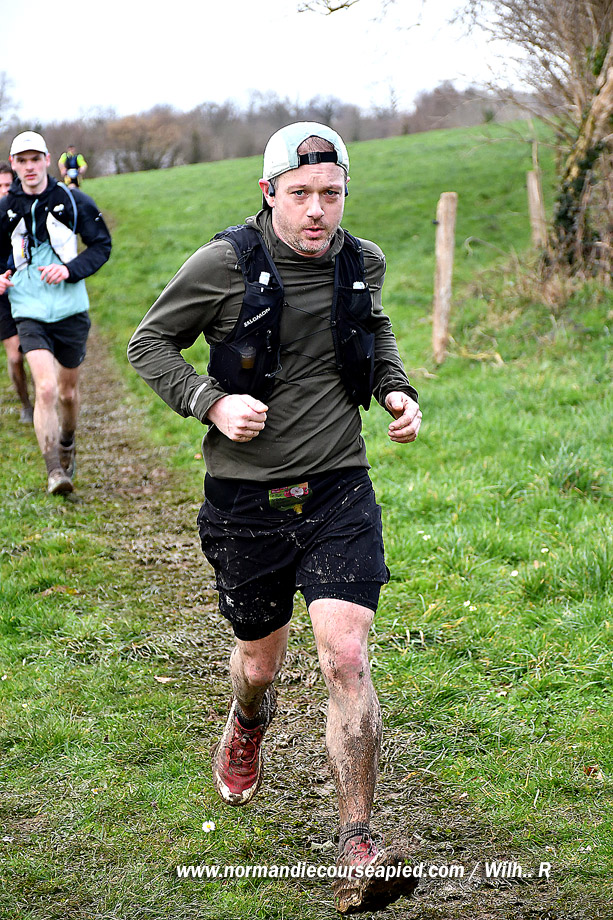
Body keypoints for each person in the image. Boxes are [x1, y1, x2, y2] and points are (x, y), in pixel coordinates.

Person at [128, 122, 422, 914]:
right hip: (245, 501)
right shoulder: (223, 265)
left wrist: (395, 388)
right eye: (300, 194)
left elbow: (372, 327)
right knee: (259, 664)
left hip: (338, 486)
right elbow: (148, 344)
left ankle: (357, 844)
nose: (317, 210)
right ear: (268, 193)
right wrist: (210, 401)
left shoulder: (360, 261)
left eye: (331, 193)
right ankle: (247, 719)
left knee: (345, 655)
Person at [0, 131, 112, 495]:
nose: (30, 167)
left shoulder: (73, 200)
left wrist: (69, 270)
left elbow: (101, 245)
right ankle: (54, 471)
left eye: (36, 159)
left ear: (48, 160)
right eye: (22, 161)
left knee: (66, 393)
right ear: (14, 165)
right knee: (45, 389)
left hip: (70, 310)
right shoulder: (4, 209)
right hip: (28, 308)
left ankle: (67, 440)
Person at [0, 161, 33, 422]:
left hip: (29, 289)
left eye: (8, 185)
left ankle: (48, 397)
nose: (4, 191)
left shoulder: (26, 212)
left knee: (38, 352)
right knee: (14, 357)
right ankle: (26, 404)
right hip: (1, 295)